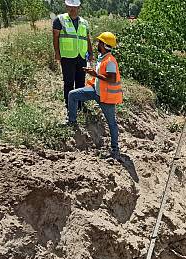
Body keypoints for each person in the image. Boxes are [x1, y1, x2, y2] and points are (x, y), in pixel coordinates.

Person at [66, 32, 122, 160]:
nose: (98, 44)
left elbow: (112, 79)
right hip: (96, 92)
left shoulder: (110, 61)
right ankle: (72, 122)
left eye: (99, 42)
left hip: (106, 98)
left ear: (103, 44)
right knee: (73, 95)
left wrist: (95, 74)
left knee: (111, 123)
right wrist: (91, 71)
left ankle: (115, 150)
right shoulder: (102, 57)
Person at [53, 0, 92, 110]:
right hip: (67, 57)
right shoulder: (59, 20)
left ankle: (80, 105)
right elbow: (55, 37)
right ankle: (69, 106)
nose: (72, 9)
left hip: (81, 57)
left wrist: (91, 53)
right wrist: (57, 53)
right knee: (69, 82)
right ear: (66, 6)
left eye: (75, 7)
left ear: (79, 7)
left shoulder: (84, 22)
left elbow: (87, 38)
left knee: (80, 81)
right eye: (70, 6)